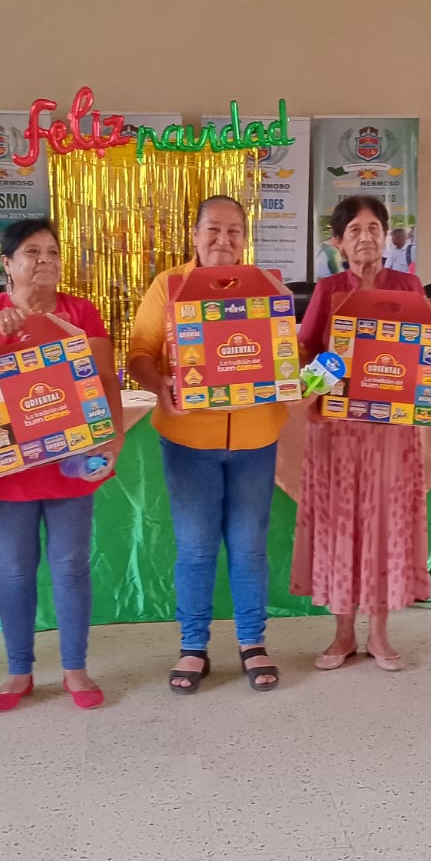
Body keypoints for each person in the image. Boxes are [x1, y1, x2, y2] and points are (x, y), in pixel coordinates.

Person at [0, 218, 123, 713]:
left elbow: (106, 377)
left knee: (71, 567)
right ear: (7, 263)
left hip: (72, 462)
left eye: (52, 252)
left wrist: (114, 442)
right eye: (32, 252)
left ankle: (75, 669)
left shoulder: (80, 312)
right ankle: (19, 671)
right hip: (11, 467)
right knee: (16, 570)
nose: (45, 260)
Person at [291, 197, 431, 672]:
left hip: (392, 432)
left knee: (388, 526)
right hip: (338, 432)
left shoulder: (408, 287)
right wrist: (315, 376)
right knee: (341, 529)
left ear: (387, 238)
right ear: (337, 242)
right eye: (354, 230)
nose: (365, 237)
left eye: (374, 229)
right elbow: (304, 351)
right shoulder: (327, 290)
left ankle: (381, 634)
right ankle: (343, 633)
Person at [127, 195, 287, 693]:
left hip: (256, 437)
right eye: (213, 229)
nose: (223, 239)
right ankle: (193, 645)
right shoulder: (169, 286)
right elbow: (139, 353)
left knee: (250, 547)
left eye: (234, 231)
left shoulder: (267, 288)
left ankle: (252, 642)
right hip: (188, 439)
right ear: (195, 236)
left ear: (245, 239)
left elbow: (290, 353)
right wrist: (160, 385)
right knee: (196, 548)